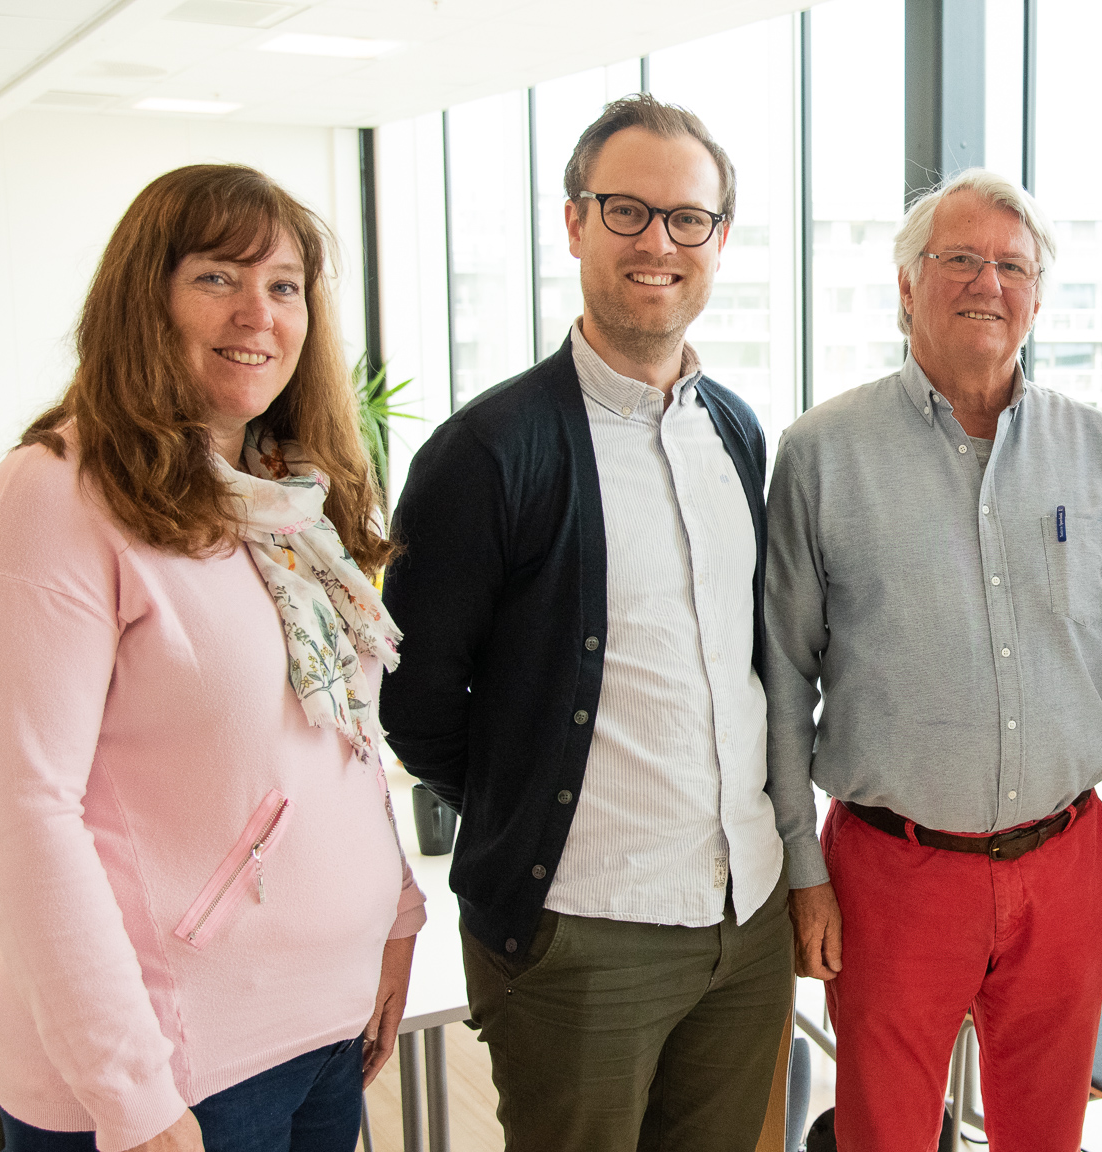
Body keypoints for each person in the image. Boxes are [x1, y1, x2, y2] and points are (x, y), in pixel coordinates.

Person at [0, 164, 423, 1152]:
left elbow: (341, 740)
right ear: (143, 298)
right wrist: (133, 1096)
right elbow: (19, 817)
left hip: (320, 1035)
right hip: (171, 1072)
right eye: (216, 276)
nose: (258, 311)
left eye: (284, 285)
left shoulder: (288, 499)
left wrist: (396, 915)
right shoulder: (54, 498)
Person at [380, 94, 788, 1152]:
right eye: (626, 210)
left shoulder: (737, 432)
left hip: (744, 925)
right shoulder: (485, 455)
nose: (657, 241)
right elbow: (415, 702)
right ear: (573, 224)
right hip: (581, 931)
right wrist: (527, 794)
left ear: (717, 242)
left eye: (685, 218)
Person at [765, 168, 1102, 1152]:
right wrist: (798, 868)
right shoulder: (821, 453)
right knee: (886, 1134)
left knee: (1045, 1134)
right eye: (959, 259)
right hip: (889, 869)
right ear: (906, 284)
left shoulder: (1097, 451)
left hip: (1066, 861)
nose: (986, 283)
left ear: (1036, 295)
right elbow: (781, 678)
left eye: (1011, 266)